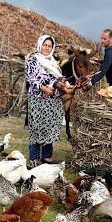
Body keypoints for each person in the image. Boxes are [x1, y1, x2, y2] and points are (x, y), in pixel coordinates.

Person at [25, 34, 73, 166]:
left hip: (53, 100)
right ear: (40, 45)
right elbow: (31, 78)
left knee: (50, 127)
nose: (47, 48)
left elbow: (59, 78)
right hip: (38, 99)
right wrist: (43, 88)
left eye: (49, 46)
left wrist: (66, 87)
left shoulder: (53, 62)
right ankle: (34, 159)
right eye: (45, 45)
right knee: (36, 127)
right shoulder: (33, 60)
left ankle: (47, 157)